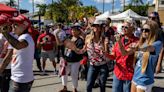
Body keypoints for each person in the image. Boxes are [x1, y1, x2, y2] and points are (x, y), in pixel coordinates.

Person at [0, 14, 34, 92]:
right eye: (13, 24)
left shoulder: (26, 37)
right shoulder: (21, 37)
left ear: (24, 26)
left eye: (16, 24)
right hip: (19, 78)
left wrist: (5, 32)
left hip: (21, 80)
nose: (13, 26)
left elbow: (18, 45)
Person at [105, 20, 139, 92]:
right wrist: (105, 54)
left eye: (126, 27)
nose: (123, 28)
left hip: (129, 74)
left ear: (132, 29)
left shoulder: (136, 41)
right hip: (118, 72)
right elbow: (114, 56)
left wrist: (119, 42)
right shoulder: (120, 40)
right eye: (122, 27)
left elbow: (124, 53)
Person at [131, 20, 163, 92]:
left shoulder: (158, 43)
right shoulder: (142, 42)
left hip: (145, 80)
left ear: (153, 31)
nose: (143, 32)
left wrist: (136, 48)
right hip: (135, 77)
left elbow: (149, 48)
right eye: (143, 29)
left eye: (147, 30)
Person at [80, 20, 109, 92]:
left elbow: (107, 53)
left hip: (103, 65)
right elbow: (84, 49)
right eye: (94, 25)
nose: (95, 27)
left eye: (97, 25)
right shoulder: (88, 37)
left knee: (102, 84)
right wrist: (75, 49)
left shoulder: (104, 39)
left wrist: (105, 46)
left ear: (100, 28)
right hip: (92, 65)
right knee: (89, 85)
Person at [59, 25, 85, 92]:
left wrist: (73, 47)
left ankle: (74, 88)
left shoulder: (80, 40)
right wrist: (62, 56)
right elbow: (62, 45)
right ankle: (64, 87)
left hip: (75, 60)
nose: (73, 31)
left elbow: (80, 51)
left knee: (74, 74)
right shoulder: (68, 37)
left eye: (75, 30)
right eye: (72, 30)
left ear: (79, 31)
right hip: (66, 59)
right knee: (64, 73)